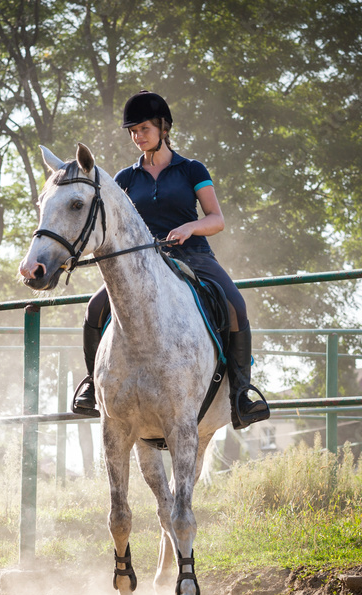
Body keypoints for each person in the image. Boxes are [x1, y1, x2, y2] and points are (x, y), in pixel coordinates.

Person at [71, 90, 270, 430]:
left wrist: (190, 228)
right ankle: (92, 385)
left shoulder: (191, 169)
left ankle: (241, 393)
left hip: (193, 255)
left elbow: (216, 219)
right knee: (94, 308)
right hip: (142, 264)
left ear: (163, 127)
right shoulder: (125, 179)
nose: (137, 137)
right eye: (132, 131)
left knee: (235, 304)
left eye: (143, 128)